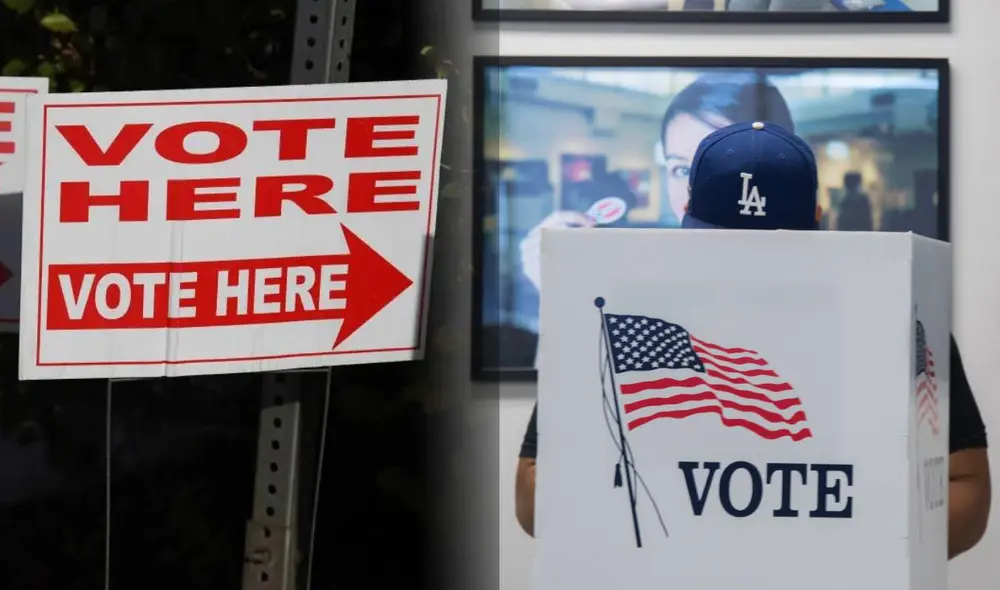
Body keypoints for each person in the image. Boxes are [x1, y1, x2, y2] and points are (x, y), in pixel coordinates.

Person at [515, 121, 991, 560]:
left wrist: (857, 546)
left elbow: (966, 484)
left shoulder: (894, 316)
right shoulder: (618, 317)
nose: (746, 266)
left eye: (769, 248)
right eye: (727, 243)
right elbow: (532, 493)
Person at [520, 71, 794, 295]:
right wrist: (561, 295)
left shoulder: (814, 283)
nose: (693, 193)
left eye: (723, 164)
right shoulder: (639, 282)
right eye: (681, 169)